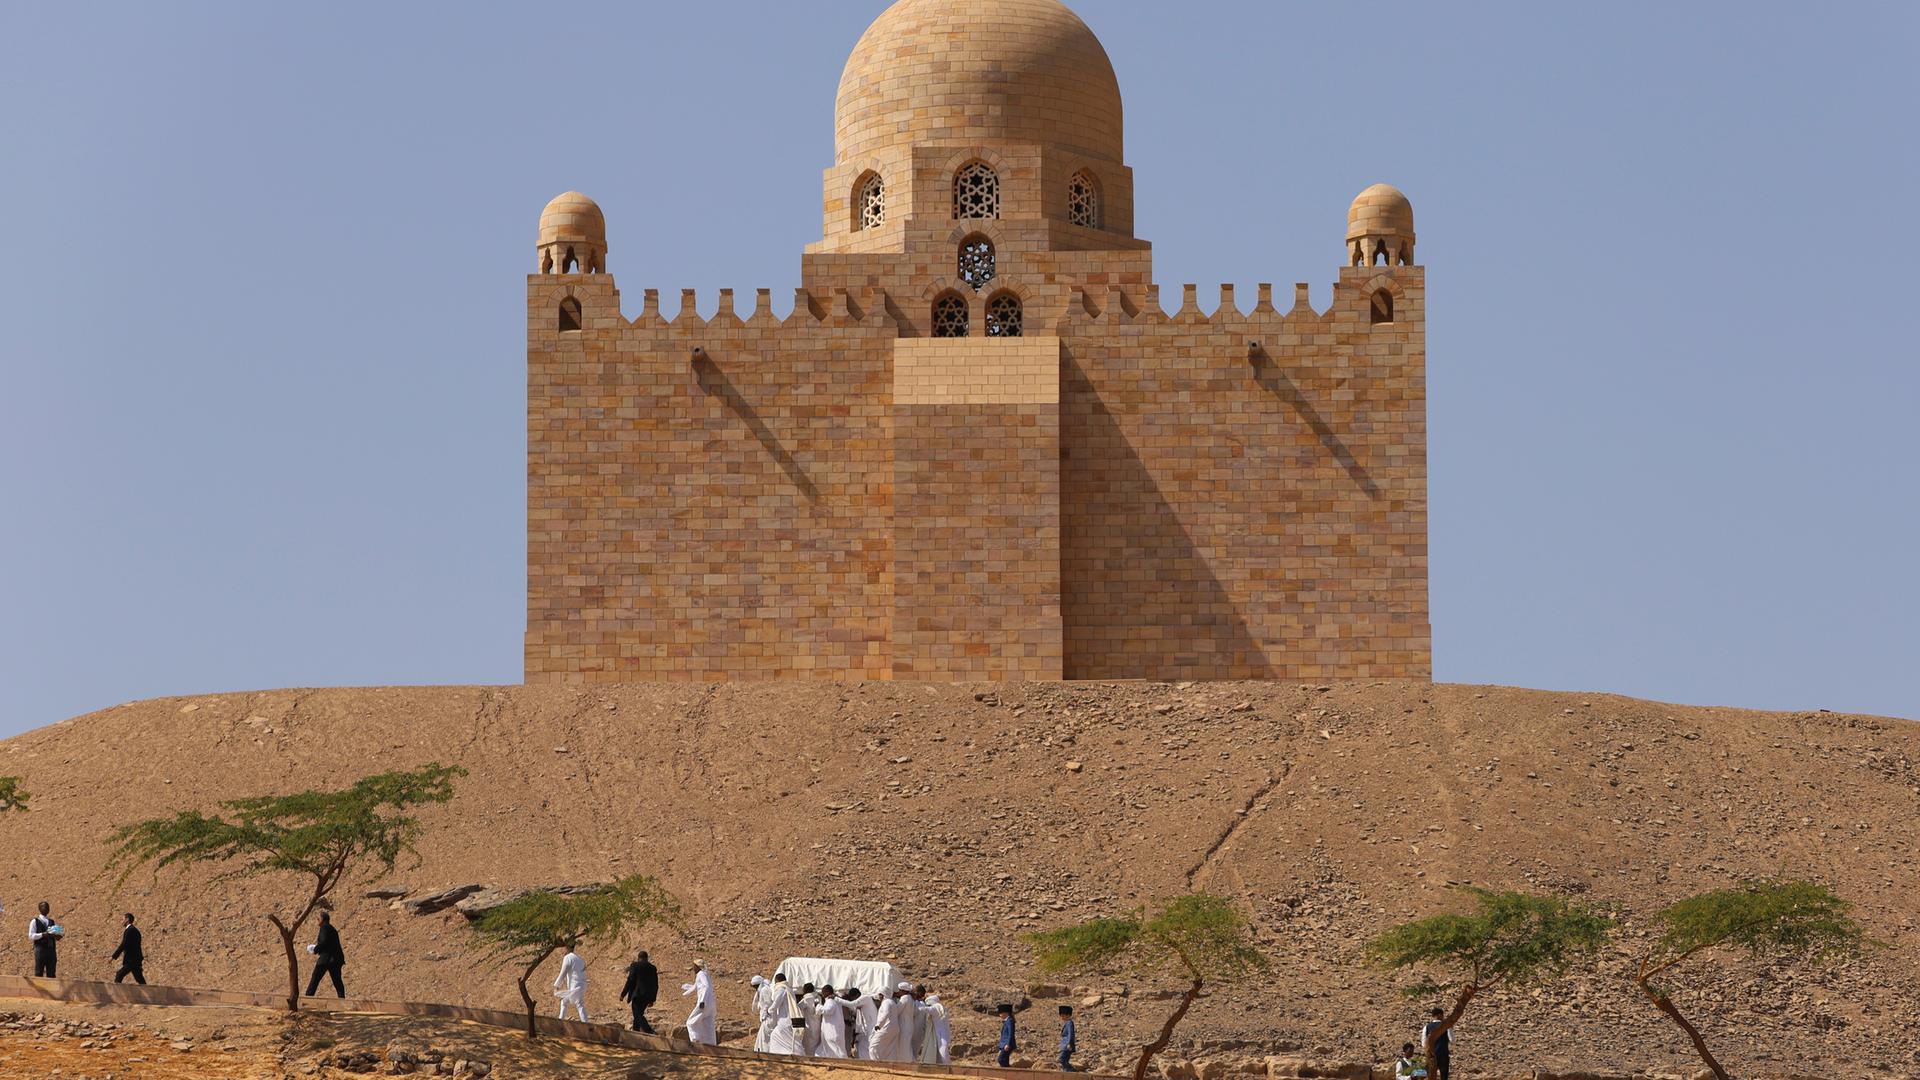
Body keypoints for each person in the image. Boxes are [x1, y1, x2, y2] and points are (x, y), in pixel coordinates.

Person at [304, 913, 345, 998]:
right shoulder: (332, 929)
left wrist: (315, 949)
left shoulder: (324, 927)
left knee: (315, 978)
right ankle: (342, 1000)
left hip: (326, 958)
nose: (317, 921)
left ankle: (307, 999)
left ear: (323, 919)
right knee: (337, 981)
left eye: (318, 919)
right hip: (336, 959)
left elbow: (323, 941)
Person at [870, 985, 915, 1062]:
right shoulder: (893, 1002)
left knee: (873, 1046)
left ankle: (875, 1064)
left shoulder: (888, 1002)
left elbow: (886, 1013)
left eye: (880, 994)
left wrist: (879, 1025)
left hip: (888, 1028)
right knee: (890, 1049)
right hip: (897, 1028)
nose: (879, 997)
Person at [618, 949, 658, 1033]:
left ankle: (649, 1031)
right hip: (648, 996)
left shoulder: (635, 965)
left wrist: (623, 994)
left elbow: (630, 980)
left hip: (638, 994)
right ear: (647, 958)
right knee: (638, 1014)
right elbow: (655, 985)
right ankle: (635, 1032)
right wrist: (652, 999)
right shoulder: (653, 968)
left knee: (637, 1014)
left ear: (638, 958)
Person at [766, 973, 805, 1055]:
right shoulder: (789, 989)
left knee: (778, 1036)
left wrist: (769, 1011)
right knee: (788, 1039)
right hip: (790, 1019)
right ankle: (785, 1053)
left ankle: (796, 1054)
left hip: (785, 1020)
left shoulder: (781, 989)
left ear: (777, 980)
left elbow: (776, 1002)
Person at [681, 960, 717, 1045]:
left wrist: (702, 1001)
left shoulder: (701, 974)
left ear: (697, 966)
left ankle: (695, 1041)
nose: (693, 968)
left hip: (704, 1003)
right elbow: (697, 986)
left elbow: (706, 986)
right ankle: (711, 1044)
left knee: (690, 1022)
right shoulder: (705, 974)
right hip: (710, 1004)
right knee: (708, 1024)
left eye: (694, 966)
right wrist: (687, 988)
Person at [815, 985, 853, 1058]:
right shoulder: (836, 1000)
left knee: (837, 1052)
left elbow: (828, 1010)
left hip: (832, 1032)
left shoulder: (830, 1001)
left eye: (823, 992)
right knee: (836, 1051)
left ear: (827, 992)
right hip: (835, 1031)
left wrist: (818, 1006)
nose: (822, 995)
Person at [553, 942, 588, 1021]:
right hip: (582, 986)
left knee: (565, 1002)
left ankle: (560, 1022)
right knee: (578, 1004)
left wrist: (556, 985)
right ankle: (586, 1023)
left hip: (575, 987)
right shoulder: (579, 959)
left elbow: (563, 972)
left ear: (566, 948)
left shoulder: (568, 958)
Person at [28, 902, 61, 978]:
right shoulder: (35, 921)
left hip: (51, 949)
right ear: (39, 909)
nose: (46, 908)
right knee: (39, 971)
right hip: (40, 949)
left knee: (51, 972)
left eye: (47, 907)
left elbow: (58, 937)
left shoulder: (52, 922)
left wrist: (57, 935)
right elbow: (31, 936)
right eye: (43, 907)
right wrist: (42, 934)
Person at [110, 913, 145, 985]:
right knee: (140, 979)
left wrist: (113, 957)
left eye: (122, 919)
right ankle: (150, 994)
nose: (121, 921)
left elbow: (123, 944)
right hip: (135, 960)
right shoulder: (134, 930)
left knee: (119, 975)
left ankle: (116, 993)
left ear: (127, 920)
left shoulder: (130, 930)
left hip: (131, 960)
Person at [920, 992, 951, 1065]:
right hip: (943, 1032)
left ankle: (946, 1065)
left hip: (940, 1033)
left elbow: (928, 1010)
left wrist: (919, 1005)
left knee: (942, 1049)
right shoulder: (941, 1007)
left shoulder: (936, 1007)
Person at [1422, 1008, 1453, 1080]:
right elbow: (1452, 1040)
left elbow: (1423, 1044)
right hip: (1443, 1055)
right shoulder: (1446, 1026)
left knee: (1431, 1076)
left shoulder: (1427, 1027)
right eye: (1443, 1015)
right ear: (1439, 1015)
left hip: (1431, 1056)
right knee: (1444, 1076)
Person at [850, 987, 879, 1059]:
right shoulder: (858, 1006)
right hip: (861, 1031)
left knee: (870, 1048)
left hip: (870, 1029)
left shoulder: (867, 1000)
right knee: (861, 1049)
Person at [801, 981, 824, 1054]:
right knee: (816, 1042)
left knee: (808, 1044)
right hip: (817, 1024)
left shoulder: (806, 999)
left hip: (809, 1024)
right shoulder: (818, 997)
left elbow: (798, 1007)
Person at [996, 1002, 1017, 1068]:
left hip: (1007, 1044)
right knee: (1004, 1060)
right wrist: (1001, 1048)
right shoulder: (1007, 1021)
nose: (1000, 1015)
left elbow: (1011, 1033)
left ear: (1006, 1013)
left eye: (1001, 1013)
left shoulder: (1010, 1021)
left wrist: (1008, 1044)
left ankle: (1009, 1073)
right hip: (1004, 1045)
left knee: (1001, 1059)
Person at [1058, 1004, 1078, 1072]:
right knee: (1063, 1060)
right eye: (1061, 1015)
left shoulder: (1069, 1023)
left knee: (1062, 1059)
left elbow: (1070, 1033)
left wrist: (1069, 1043)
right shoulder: (1067, 1023)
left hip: (1067, 1045)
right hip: (1064, 1045)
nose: (1062, 1017)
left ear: (1068, 1015)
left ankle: (1073, 1072)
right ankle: (1066, 1072)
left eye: (1063, 1015)